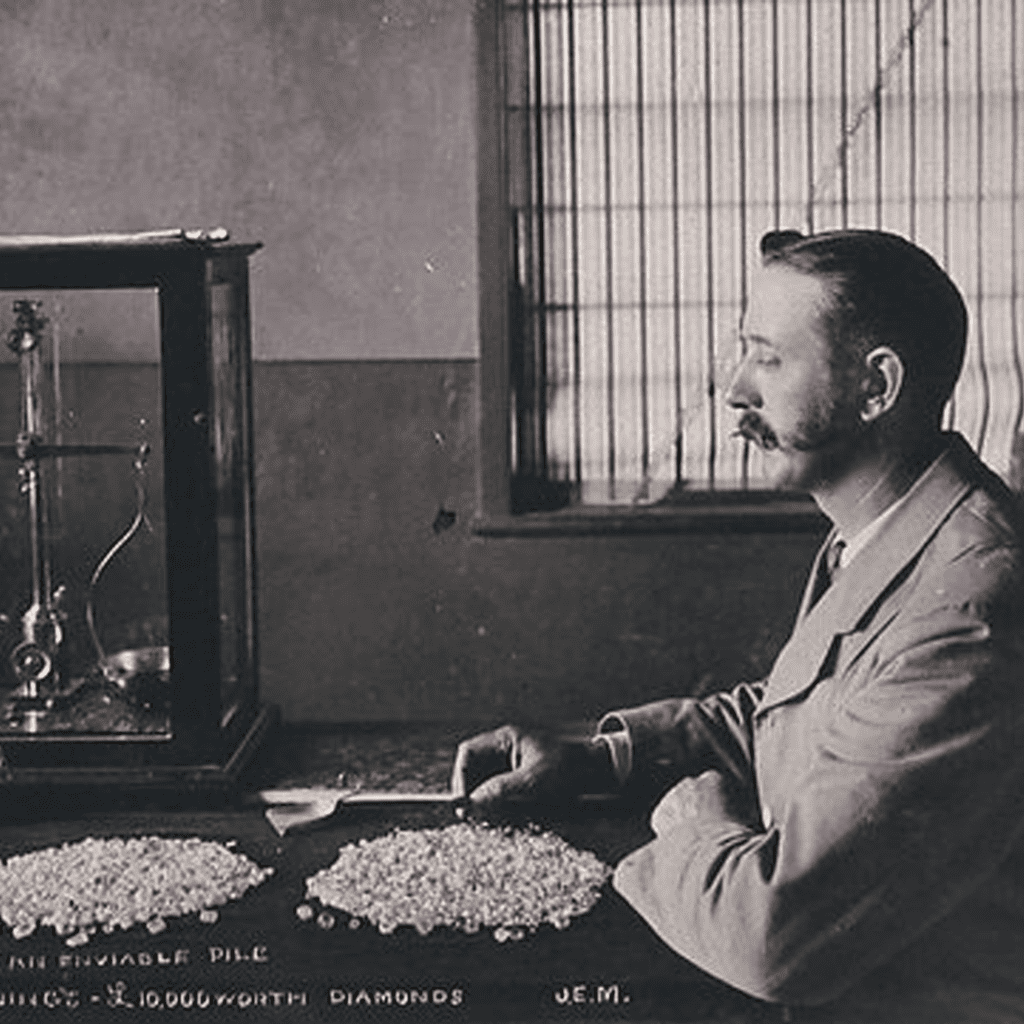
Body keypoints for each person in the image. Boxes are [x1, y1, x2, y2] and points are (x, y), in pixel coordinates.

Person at [452, 229, 1024, 1022]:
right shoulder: (893, 531)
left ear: (877, 386)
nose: (734, 389)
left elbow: (773, 939)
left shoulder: (969, 607)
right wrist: (600, 758)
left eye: (768, 358)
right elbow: (804, 713)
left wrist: (697, 830)